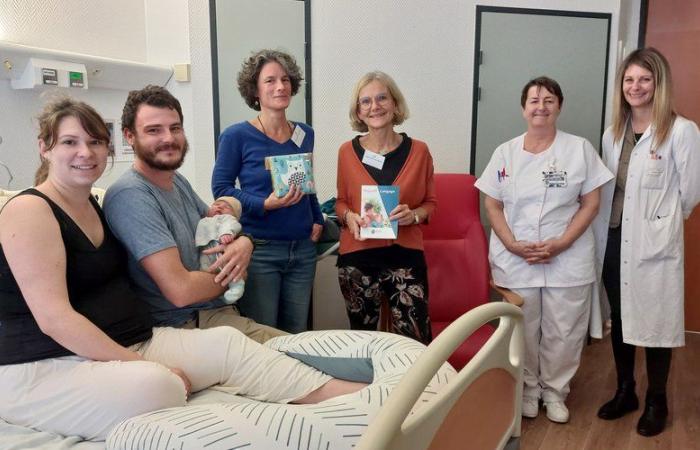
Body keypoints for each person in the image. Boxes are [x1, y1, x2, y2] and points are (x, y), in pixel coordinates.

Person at [0, 97, 365, 441]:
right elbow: (55, 319)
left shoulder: (92, 205)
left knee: (227, 344)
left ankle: (358, 401)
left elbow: (216, 221)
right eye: (69, 142)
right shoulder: (31, 211)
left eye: (95, 141)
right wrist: (138, 366)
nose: (85, 152)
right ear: (44, 147)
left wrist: (244, 239)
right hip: (46, 363)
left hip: (129, 340)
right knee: (156, 386)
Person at [475, 76, 613, 424]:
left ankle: (555, 392)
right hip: (516, 255)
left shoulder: (578, 148)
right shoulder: (505, 152)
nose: (541, 106)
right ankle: (527, 389)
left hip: (567, 255)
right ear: (524, 109)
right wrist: (510, 243)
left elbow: (591, 203)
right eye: (534, 100)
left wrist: (562, 243)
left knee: (564, 329)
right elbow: (491, 203)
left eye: (549, 100)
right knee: (523, 326)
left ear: (559, 107)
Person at [104, 85, 282, 343]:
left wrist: (246, 242)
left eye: (175, 128)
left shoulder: (177, 182)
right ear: (129, 136)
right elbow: (181, 292)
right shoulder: (131, 195)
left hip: (218, 315)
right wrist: (235, 273)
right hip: (186, 326)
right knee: (310, 362)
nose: (168, 138)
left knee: (322, 352)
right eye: (154, 130)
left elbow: (216, 223)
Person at [593, 48, 700, 436]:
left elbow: (689, 193)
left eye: (644, 79)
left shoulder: (681, 131)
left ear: (659, 84)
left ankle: (657, 399)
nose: (635, 87)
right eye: (628, 80)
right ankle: (626, 391)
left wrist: (660, 225)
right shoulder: (613, 133)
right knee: (620, 320)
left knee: (655, 321)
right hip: (614, 239)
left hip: (653, 244)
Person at [211, 49, 322, 333]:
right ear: (255, 90)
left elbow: (306, 183)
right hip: (259, 250)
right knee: (265, 336)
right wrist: (264, 204)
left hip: (302, 250)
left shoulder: (305, 133)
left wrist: (318, 218)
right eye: (270, 80)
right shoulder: (236, 136)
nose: (280, 86)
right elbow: (221, 189)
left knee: (297, 335)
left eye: (285, 79)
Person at [335, 71, 436, 345]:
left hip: (404, 254)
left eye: (381, 98)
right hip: (359, 254)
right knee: (363, 341)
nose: (374, 106)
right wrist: (349, 216)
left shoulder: (419, 151)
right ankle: (372, 388)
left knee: (414, 339)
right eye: (365, 101)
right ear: (358, 111)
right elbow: (340, 201)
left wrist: (413, 215)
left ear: (395, 104)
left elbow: (431, 204)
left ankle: (414, 389)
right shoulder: (346, 152)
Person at [196, 196, 246, 304]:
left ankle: (237, 287)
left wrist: (227, 233)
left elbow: (231, 224)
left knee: (231, 270)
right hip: (205, 250)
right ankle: (215, 298)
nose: (220, 207)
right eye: (217, 204)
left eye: (227, 207)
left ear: (235, 215)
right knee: (205, 270)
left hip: (222, 247)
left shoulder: (227, 219)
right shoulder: (205, 219)